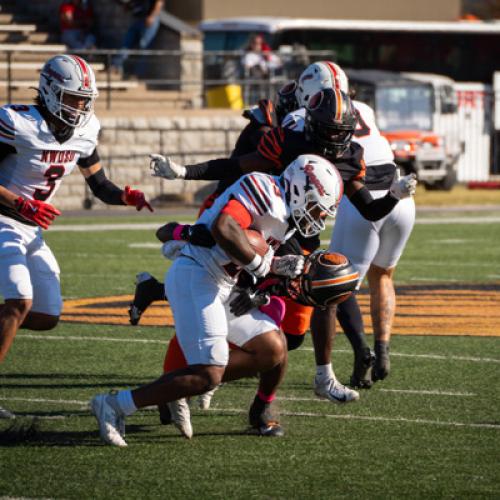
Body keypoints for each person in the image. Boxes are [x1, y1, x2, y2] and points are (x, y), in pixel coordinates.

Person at [149, 87, 416, 405]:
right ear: (314, 125)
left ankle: (321, 376)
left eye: (341, 132)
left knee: (316, 301)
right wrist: (185, 172)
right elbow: (238, 165)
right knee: (225, 300)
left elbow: (369, 210)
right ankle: (196, 379)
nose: (335, 140)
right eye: (330, 131)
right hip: (265, 227)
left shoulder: (350, 156)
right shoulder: (290, 139)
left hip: (303, 233)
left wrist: (393, 196)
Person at [90, 153, 343, 446]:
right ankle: (114, 404)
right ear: (300, 188)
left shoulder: (284, 214)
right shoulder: (264, 189)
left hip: (224, 284)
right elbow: (224, 227)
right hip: (197, 277)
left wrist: (276, 269)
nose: (318, 217)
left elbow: (254, 250)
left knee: (273, 348)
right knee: (208, 374)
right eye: (316, 208)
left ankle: (253, 412)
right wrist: (261, 265)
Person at [0, 54, 152, 419]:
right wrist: (20, 203)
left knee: (47, 313)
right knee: (20, 301)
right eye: (72, 98)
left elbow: (98, 183)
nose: (79, 107)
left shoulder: (85, 130)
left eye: (84, 100)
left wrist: (123, 197)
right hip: (3, 218)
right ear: (50, 92)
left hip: (30, 226)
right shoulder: (16, 122)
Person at [289, 61, 416, 386]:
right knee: (384, 274)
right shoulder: (363, 109)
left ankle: (359, 351)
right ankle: (382, 347)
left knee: (333, 287)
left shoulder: (308, 115)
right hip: (401, 195)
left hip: (362, 196)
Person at [111, 0, 164, 76]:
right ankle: (116, 66)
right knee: (126, 43)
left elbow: (159, 2)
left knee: (144, 46)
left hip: (149, 19)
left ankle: (139, 75)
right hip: (137, 18)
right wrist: (128, 6)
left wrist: (152, 16)